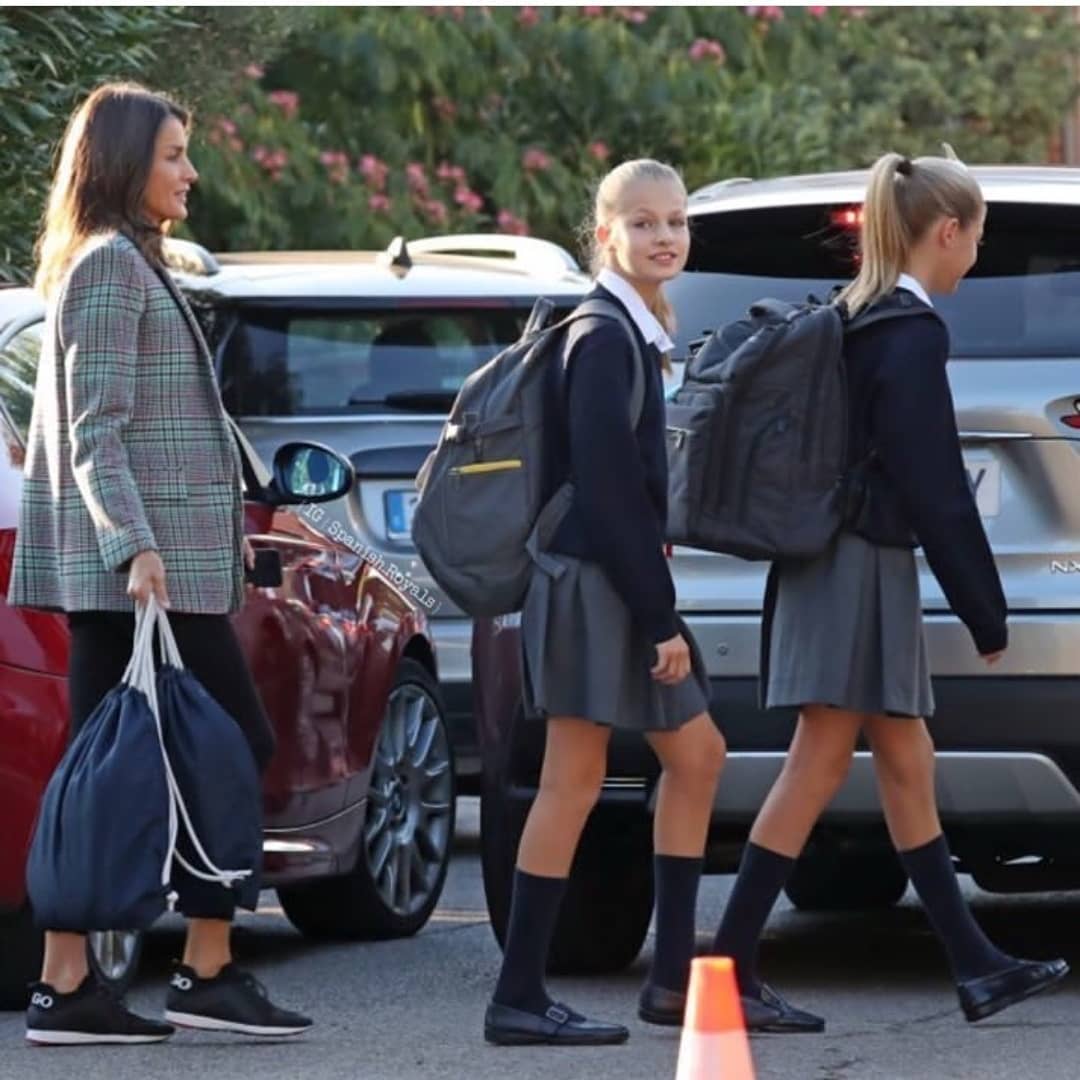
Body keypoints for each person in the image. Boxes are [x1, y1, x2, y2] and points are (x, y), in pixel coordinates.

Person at [709, 149, 1068, 1031]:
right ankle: (720, 970)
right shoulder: (907, 332)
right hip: (856, 565)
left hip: (844, 561)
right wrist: (985, 607)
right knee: (818, 760)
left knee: (907, 762)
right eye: (976, 238)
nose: (976, 255)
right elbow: (932, 481)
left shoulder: (855, 316)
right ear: (947, 232)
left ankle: (977, 966)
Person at [10, 82, 312, 1045]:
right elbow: (98, 434)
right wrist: (134, 546)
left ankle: (85, 984)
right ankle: (196, 971)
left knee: (112, 768)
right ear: (124, 163)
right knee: (227, 747)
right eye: (174, 154)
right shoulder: (108, 268)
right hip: (140, 575)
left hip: (153, 574)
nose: (190, 171)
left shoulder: (130, 263)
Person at [483, 159, 727, 1047]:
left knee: (696, 757)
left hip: (612, 582)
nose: (666, 236)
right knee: (573, 779)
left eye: (678, 221)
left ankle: (668, 983)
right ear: (605, 235)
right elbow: (609, 493)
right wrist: (660, 620)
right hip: (594, 587)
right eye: (646, 222)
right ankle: (517, 996)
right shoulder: (601, 336)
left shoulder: (633, 329)